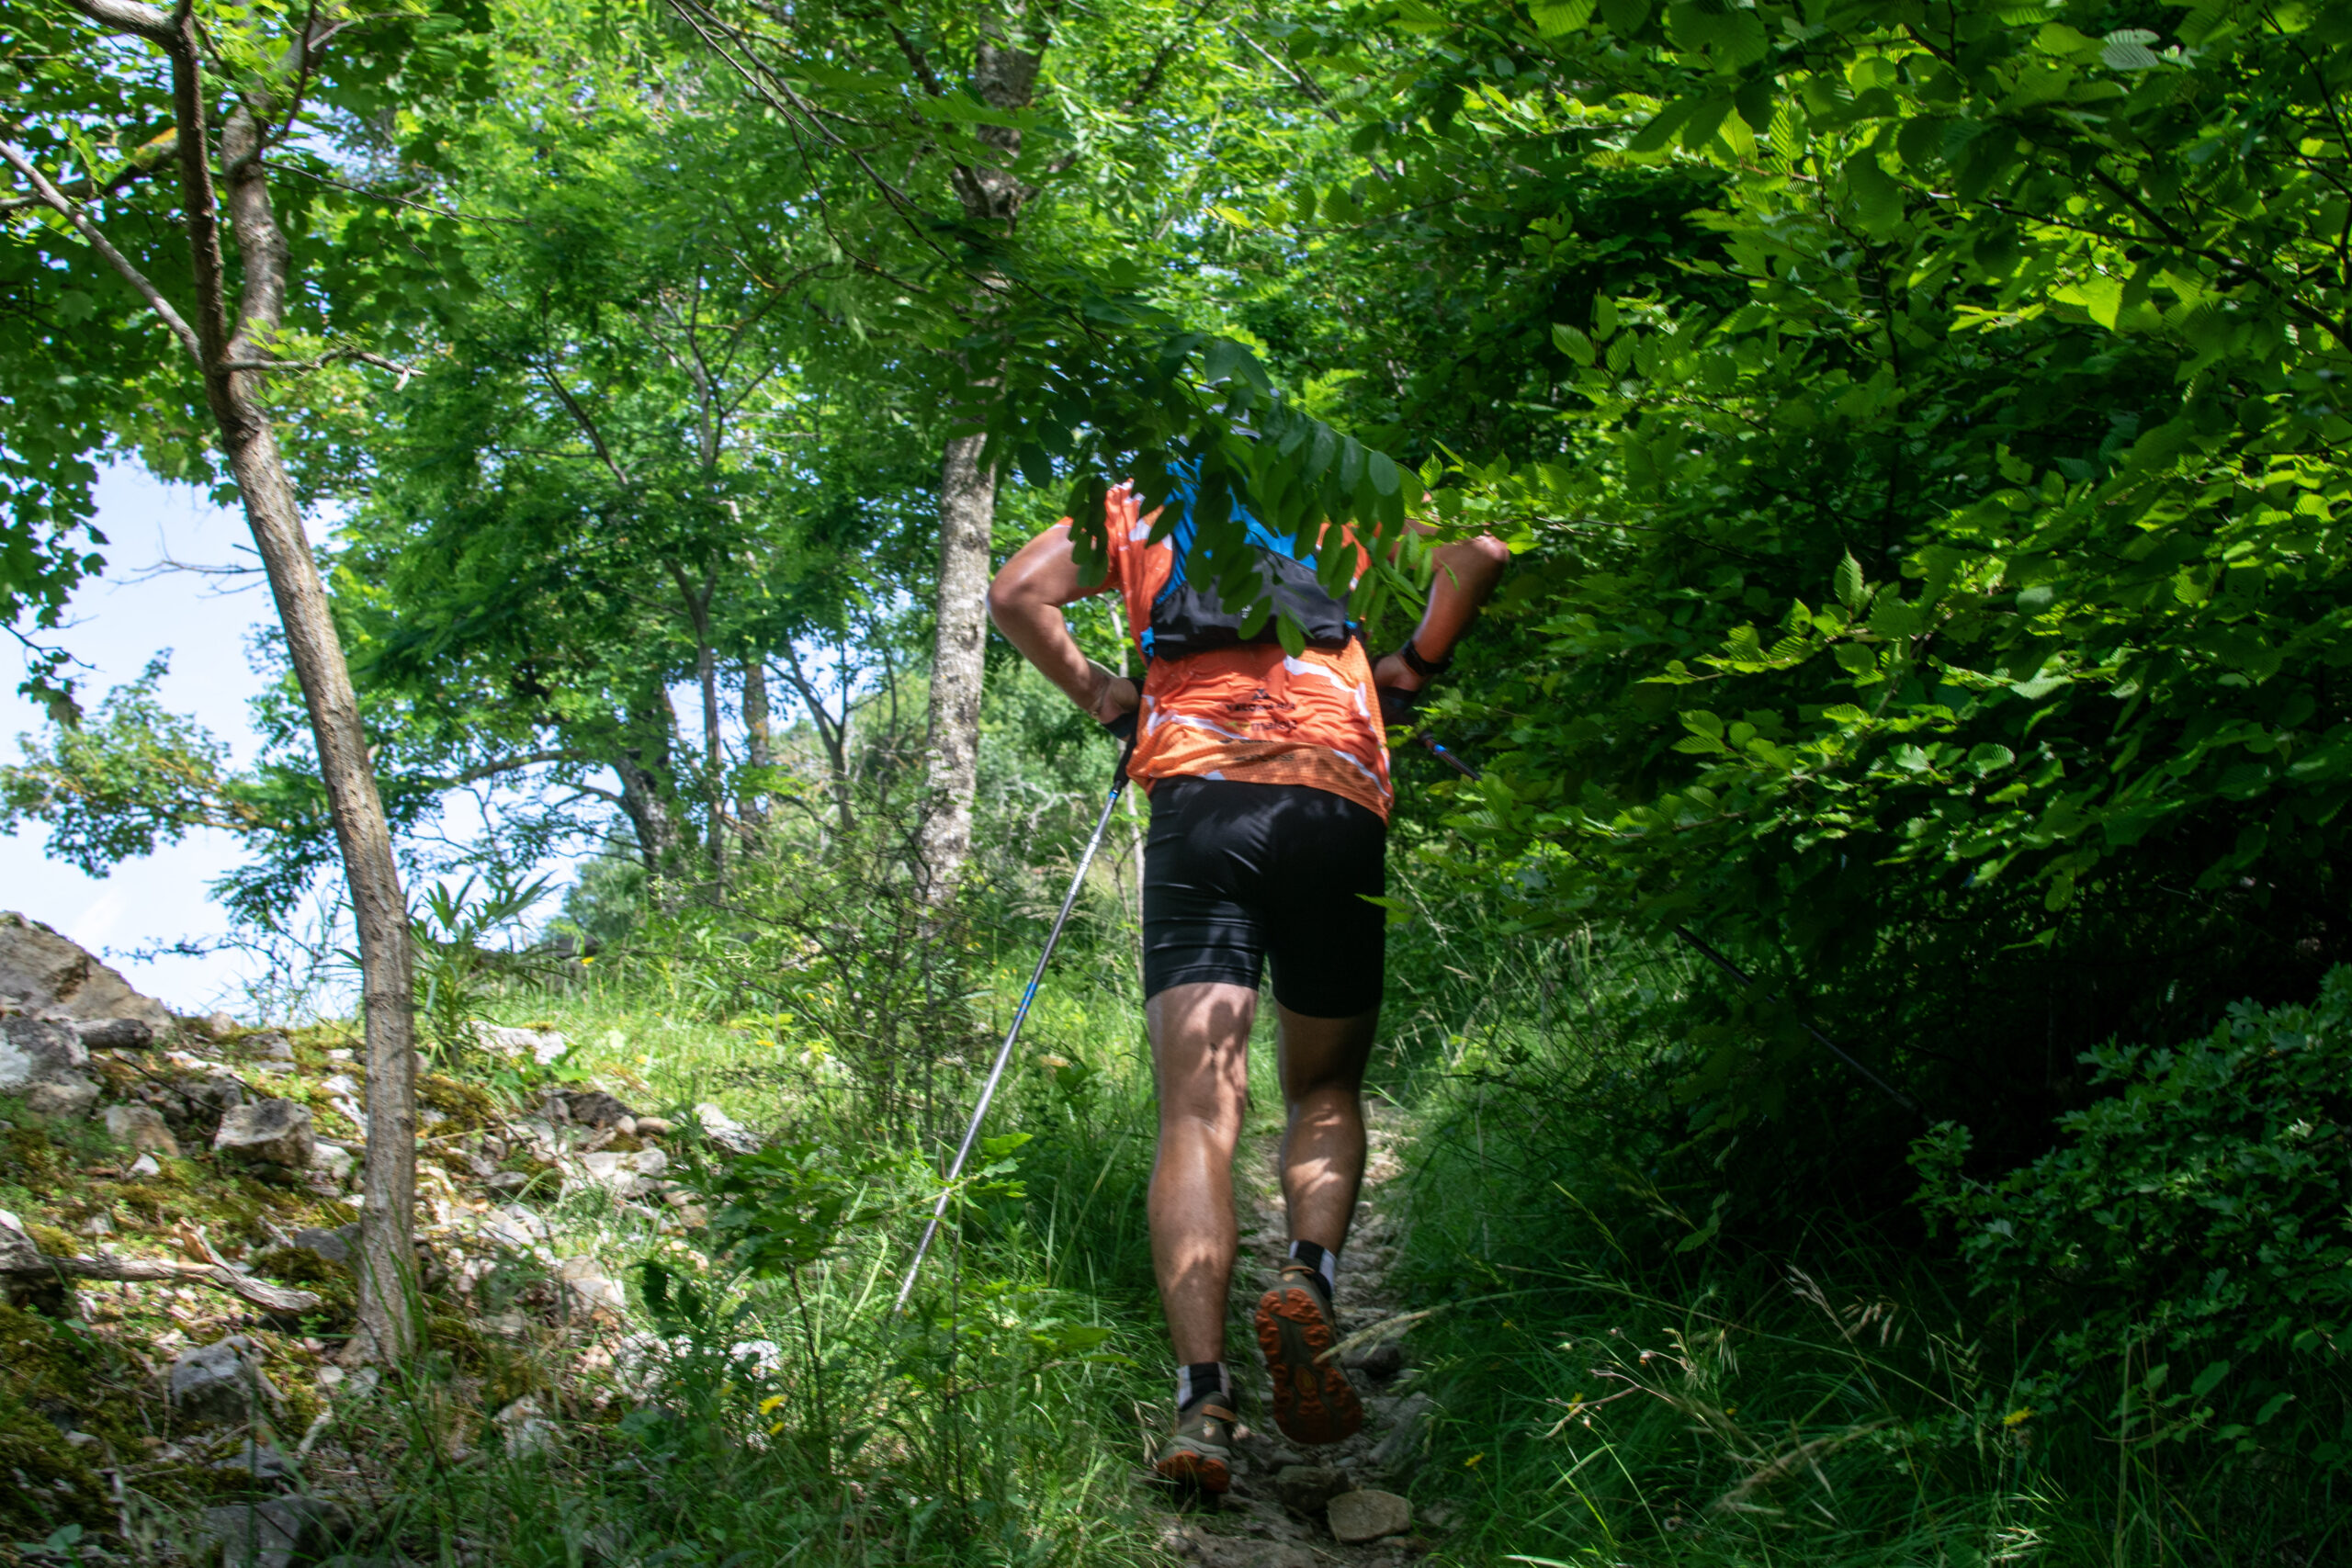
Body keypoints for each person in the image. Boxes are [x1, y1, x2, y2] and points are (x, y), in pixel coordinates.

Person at [987, 469, 1508, 1493]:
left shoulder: (1135, 504)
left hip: (1198, 800)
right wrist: (1410, 663)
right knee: (1325, 1086)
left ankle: (1203, 1406)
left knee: (1195, 1118)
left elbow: (1014, 595)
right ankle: (1308, 1277)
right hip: (1334, 798)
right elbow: (1478, 556)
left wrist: (1102, 690)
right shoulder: (1333, 490)